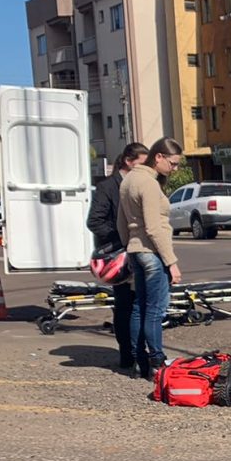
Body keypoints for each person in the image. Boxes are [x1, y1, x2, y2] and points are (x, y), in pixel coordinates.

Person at [117, 137, 183, 379]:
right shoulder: (149, 184)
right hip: (152, 253)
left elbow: (121, 222)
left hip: (136, 250)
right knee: (155, 310)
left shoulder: (128, 180)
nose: (174, 169)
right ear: (159, 157)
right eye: (173, 163)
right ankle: (157, 360)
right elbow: (154, 228)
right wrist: (171, 262)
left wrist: (129, 245)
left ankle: (138, 360)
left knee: (139, 307)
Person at [87, 142, 147, 369]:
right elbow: (94, 221)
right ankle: (127, 353)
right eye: (141, 163)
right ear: (128, 162)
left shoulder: (140, 184)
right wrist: (121, 238)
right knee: (125, 305)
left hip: (138, 251)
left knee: (139, 304)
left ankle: (137, 350)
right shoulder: (108, 187)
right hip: (119, 256)